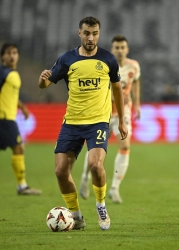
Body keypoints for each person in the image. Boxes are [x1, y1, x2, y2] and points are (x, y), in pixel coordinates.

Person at [38, 17, 128, 230]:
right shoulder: (67, 59)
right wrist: (42, 79)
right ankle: (77, 217)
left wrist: (122, 120)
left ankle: (101, 206)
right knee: (61, 170)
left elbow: (117, 90)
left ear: (99, 33)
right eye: (87, 33)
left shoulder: (108, 59)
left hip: (98, 122)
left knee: (95, 165)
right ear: (79, 33)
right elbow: (45, 84)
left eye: (95, 33)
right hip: (72, 123)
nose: (91, 37)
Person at [79, 35, 141, 204]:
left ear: (127, 49)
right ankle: (84, 179)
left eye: (123, 47)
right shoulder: (102, 65)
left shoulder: (133, 66)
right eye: (117, 48)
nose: (120, 50)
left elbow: (135, 82)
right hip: (103, 113)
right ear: (112, 49)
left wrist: (136, 104)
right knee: (95, 151)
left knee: (125, 145)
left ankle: (114, 188)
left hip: (123, 113)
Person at [0, 43, 42, 196]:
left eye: (15, 52)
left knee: (18, 148)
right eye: (9, 53)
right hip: (4, 119)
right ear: (3, 56)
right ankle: (22, 186)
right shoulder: (4, 73)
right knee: (19, 148)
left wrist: (22, 107)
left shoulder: (12, 74)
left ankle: (22, 186)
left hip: (7, 118)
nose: (12, 56)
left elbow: (10, 95)